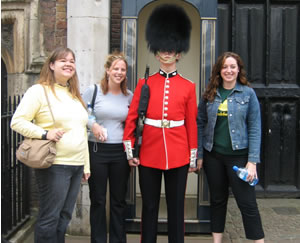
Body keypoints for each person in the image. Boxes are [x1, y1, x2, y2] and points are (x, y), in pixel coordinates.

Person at [122, 4, 198, 243]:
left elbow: (191, 124)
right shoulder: (145, 83)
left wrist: (192, 156)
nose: (166, 53)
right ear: (156, 53)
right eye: (162, 49)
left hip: (178, 153)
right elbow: (133, 118)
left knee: (176, 209)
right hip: (149, 152)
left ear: (178, 53)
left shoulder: (188, 86)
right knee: (150, 207)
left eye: (171, 49)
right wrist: (130, 150)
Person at [11, 47, 90, 243]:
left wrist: (85, 165)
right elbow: (17, 121)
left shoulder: (74, 95)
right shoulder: (39, 91)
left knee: (64, 218)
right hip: (54, 164)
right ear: (52, 65)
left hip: (76, 165)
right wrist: (45, 133)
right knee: (49, 218)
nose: (68, 64)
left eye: (72, 61)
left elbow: (81, 131)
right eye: (63, 60)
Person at [196, 52, 265, 243]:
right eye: (225, 67)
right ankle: (217, 240)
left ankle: (258, 241)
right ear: (219, 70)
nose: (229, 70)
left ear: (238, 69)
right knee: (217, 201)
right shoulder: (209, 93)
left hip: (239, 158)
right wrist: (199, 155)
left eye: (232, 67)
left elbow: (255, 128)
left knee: (247, 203)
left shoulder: (248, 93)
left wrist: (252, 162)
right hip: (213, 157)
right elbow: (200, 123)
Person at [82, 52, 133, 243]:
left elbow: (133, 123)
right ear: (107, 70)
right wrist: (93, 125)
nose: (119, 72)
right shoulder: (93, 91)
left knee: (119, 201)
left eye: (123, 69)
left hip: (120, 151)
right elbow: (82, 113)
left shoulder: (129, 96)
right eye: (116, 69)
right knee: (98, 200)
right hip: (97, 151)